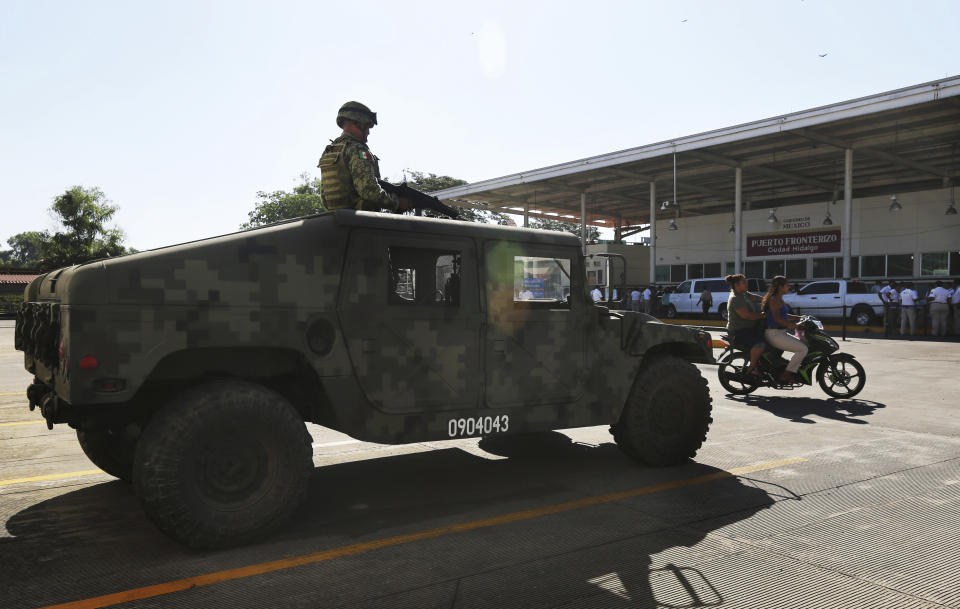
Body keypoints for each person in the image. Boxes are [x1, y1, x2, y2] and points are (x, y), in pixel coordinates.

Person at [317, 101, 411, 213]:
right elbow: (368, 190)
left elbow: (324, 195)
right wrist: (397, 203)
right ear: (358, 123)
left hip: (336, 218)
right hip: (359, 220)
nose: (368, 132)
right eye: (367, 126)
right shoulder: (357, 149)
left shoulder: (330, 150)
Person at [762, 275, 808, 384]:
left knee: (805, 345)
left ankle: (791, 370)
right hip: (774, 334)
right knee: (803, 349)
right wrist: (795, 325)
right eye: (787, 285)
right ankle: (786, 375)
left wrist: (798, 318)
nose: (789, 287)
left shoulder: (779, 298)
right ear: (780, 287)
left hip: (780, 333)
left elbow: (783, 315)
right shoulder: (774, 299)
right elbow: (777, 319)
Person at [725, 274, 766, 377]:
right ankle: (752, 368)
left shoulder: (743, 293)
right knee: (760, 344)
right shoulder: (735, 298)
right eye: (744, 282)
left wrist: (767, 300)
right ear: (737, 285)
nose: (746, 284)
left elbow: (754, 297)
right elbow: (746, 316)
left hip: (749, 327)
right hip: (739, 331)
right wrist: (762, 316)